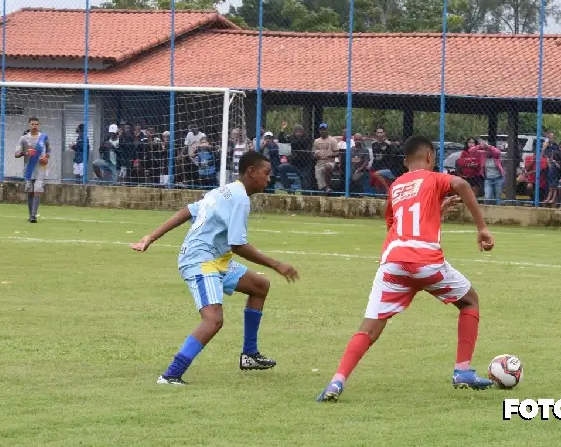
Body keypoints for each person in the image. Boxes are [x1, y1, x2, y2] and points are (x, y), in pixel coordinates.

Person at [316, 136, 496, 403]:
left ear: (404, 161)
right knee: (470, 301)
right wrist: (481, 227)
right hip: (426, 261)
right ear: (430, 158)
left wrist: (438, 209)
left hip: (393, 262)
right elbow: (461, 183)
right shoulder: (434, 177)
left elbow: (399, 222)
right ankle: (462, 371)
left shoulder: (397, 186)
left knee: (370, 327)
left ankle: (336, 382)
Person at [129, 151, 300, 385]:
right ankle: (170, 375)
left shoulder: (225, 191)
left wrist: (150, 237)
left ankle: (249, 355)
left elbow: (187, 212)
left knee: (259, 286)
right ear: (251, 172)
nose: (269, 179)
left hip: (217, 260)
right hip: (200, 260)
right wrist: (276, 264)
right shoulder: (240, 198)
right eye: (266, 173)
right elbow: (238, 245)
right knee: (213, 320)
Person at [14, 116, 50, 223]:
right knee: (30, 191)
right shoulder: (24, 138)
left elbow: (48, 150)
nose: (34, 126)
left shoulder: (44, 137)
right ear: (29, 125)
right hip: (29, 169)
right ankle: (30, 215)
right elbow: (16, 154)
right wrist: (25, 153)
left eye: (36, 124)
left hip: (40, 168)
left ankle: (34, 216)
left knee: (37, 190)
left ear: (39, 125)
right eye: (32, 124)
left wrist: (46, 157)